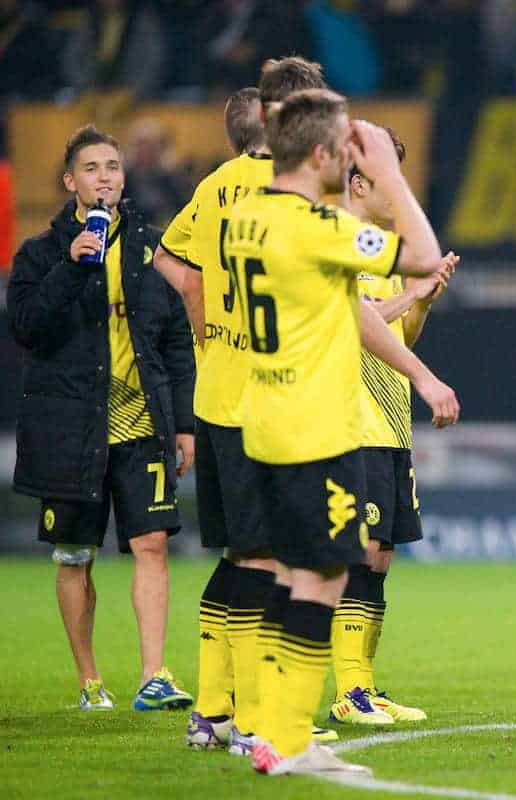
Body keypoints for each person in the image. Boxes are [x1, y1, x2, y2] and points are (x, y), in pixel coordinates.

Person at [230, 89, 446, 776]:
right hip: (317, 427)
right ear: (324, 154)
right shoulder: (315, 230)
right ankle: (290, 740)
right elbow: (421, 254)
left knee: (291, 576)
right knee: (323, 579)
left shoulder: (248, 216)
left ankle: (270, 730)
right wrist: (388, 172)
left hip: (261, 420)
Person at [153, 58, 334, 756]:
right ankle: (257, 718)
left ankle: (214, 708)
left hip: (217, 391)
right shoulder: (288, 190)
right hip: (270, 400)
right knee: (272, 559)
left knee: (239, 554)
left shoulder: (217, 184)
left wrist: (207, 330)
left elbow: (170, 260)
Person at [9, 124, 196, 713]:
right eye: (91, 168)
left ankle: (153, 674)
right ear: (70, 182)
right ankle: (90, 681)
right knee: (74, 555)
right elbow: (26, 328)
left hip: (142, 425)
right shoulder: (39, 254)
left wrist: (186, 424)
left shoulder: (153, 250)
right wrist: (70, 266)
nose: (105, 176)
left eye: (112, 166)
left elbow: (175, 343)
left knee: (153, 545)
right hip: (71, 431)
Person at [330, 132, 459, 726]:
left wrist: (422, 300)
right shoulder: (336, 240)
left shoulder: (381, 250)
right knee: (357, 553)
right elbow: (352, 321)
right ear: (358, 184)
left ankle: (365, 685)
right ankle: (347, 691)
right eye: (389, 179)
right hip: (348, 421)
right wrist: (409, 293)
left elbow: (398, 338)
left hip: (389, 421)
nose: (397, 191)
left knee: (380, 557)